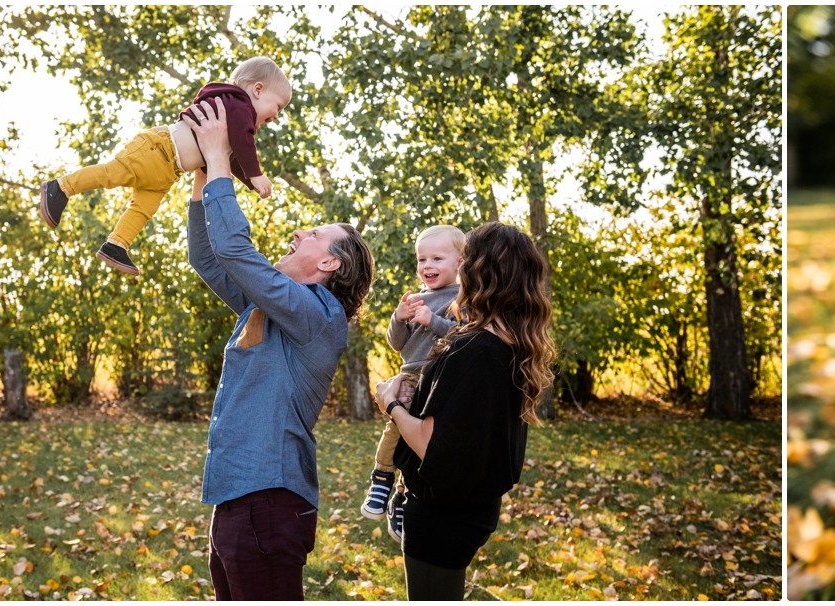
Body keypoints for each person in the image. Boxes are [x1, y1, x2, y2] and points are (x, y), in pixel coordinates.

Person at [182, 97, 376, 601]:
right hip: (238, 500)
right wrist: (203, 173)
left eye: (312, 234)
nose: (297, 232)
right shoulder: (271, 302)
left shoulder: (316, 314)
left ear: (331, 265)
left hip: (268, 503)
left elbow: (234, 249)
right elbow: (209, 258)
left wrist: (223, 158)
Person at [371, 221, 555, 600]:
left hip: (443, 518)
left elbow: (430, 445)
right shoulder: (508, 344)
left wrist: (390, 403)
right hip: (473, 508)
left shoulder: (474, 352)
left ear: (479, 271)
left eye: (466, 259)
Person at [39, 56, 288, 275]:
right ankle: (60, 187)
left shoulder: (234, 116)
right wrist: (256, 175)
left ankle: (116, 244)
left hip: (168, 170)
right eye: (277, 106)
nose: (276, 115)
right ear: (257, 89)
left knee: (143, 209)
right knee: (111, 174)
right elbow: (244, 143)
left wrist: (250, 182)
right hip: (157, 150)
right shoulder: (238, 104)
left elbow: (231, 159)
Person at [362, 225, 466, 537]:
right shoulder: (417, 298)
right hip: (411, 373)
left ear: (461, 262)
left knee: (422, 439)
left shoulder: (465, 297)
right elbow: (397, 343)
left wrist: (431, 320)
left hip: (441, 378)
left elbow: (462, 337)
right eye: (422, 259)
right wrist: (399, 317)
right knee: (397, 427)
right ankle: (381, 478)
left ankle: (405, 495)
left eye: (437, 258)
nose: (427, 266)